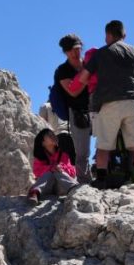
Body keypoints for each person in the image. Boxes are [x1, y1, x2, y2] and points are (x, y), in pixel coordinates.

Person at [78, 20, 134, 187]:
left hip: (109, 102)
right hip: (133, 101)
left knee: (104, 145)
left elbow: (83, 78)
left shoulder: (101, 53)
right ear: (124, 34)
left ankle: (101, 180)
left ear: (108, 35)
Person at [53, 34, 93, 183]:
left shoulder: (88, 64)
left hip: (96, 109)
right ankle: (84, 181)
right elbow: (72, 91)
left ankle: (102, 176)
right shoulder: (63, 70)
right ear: (65, 52)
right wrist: (86, 79)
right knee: (82, 152)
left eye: (77, 48)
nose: (75, 53)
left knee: (105, 145)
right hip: (77, 112)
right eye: (71, 50)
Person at [27, 129, 78, 202]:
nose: (53, 136)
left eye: (53, 134)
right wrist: (50, 168)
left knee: (57, 171)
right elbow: (37, 172)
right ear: (43, 143)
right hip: (47, 187)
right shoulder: (40, 157)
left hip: (63, 186)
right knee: (50, 172)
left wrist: (61, 168)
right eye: (49, 135)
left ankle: (74, 189)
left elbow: (73, 172)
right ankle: (34, 193)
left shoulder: (63, 154)